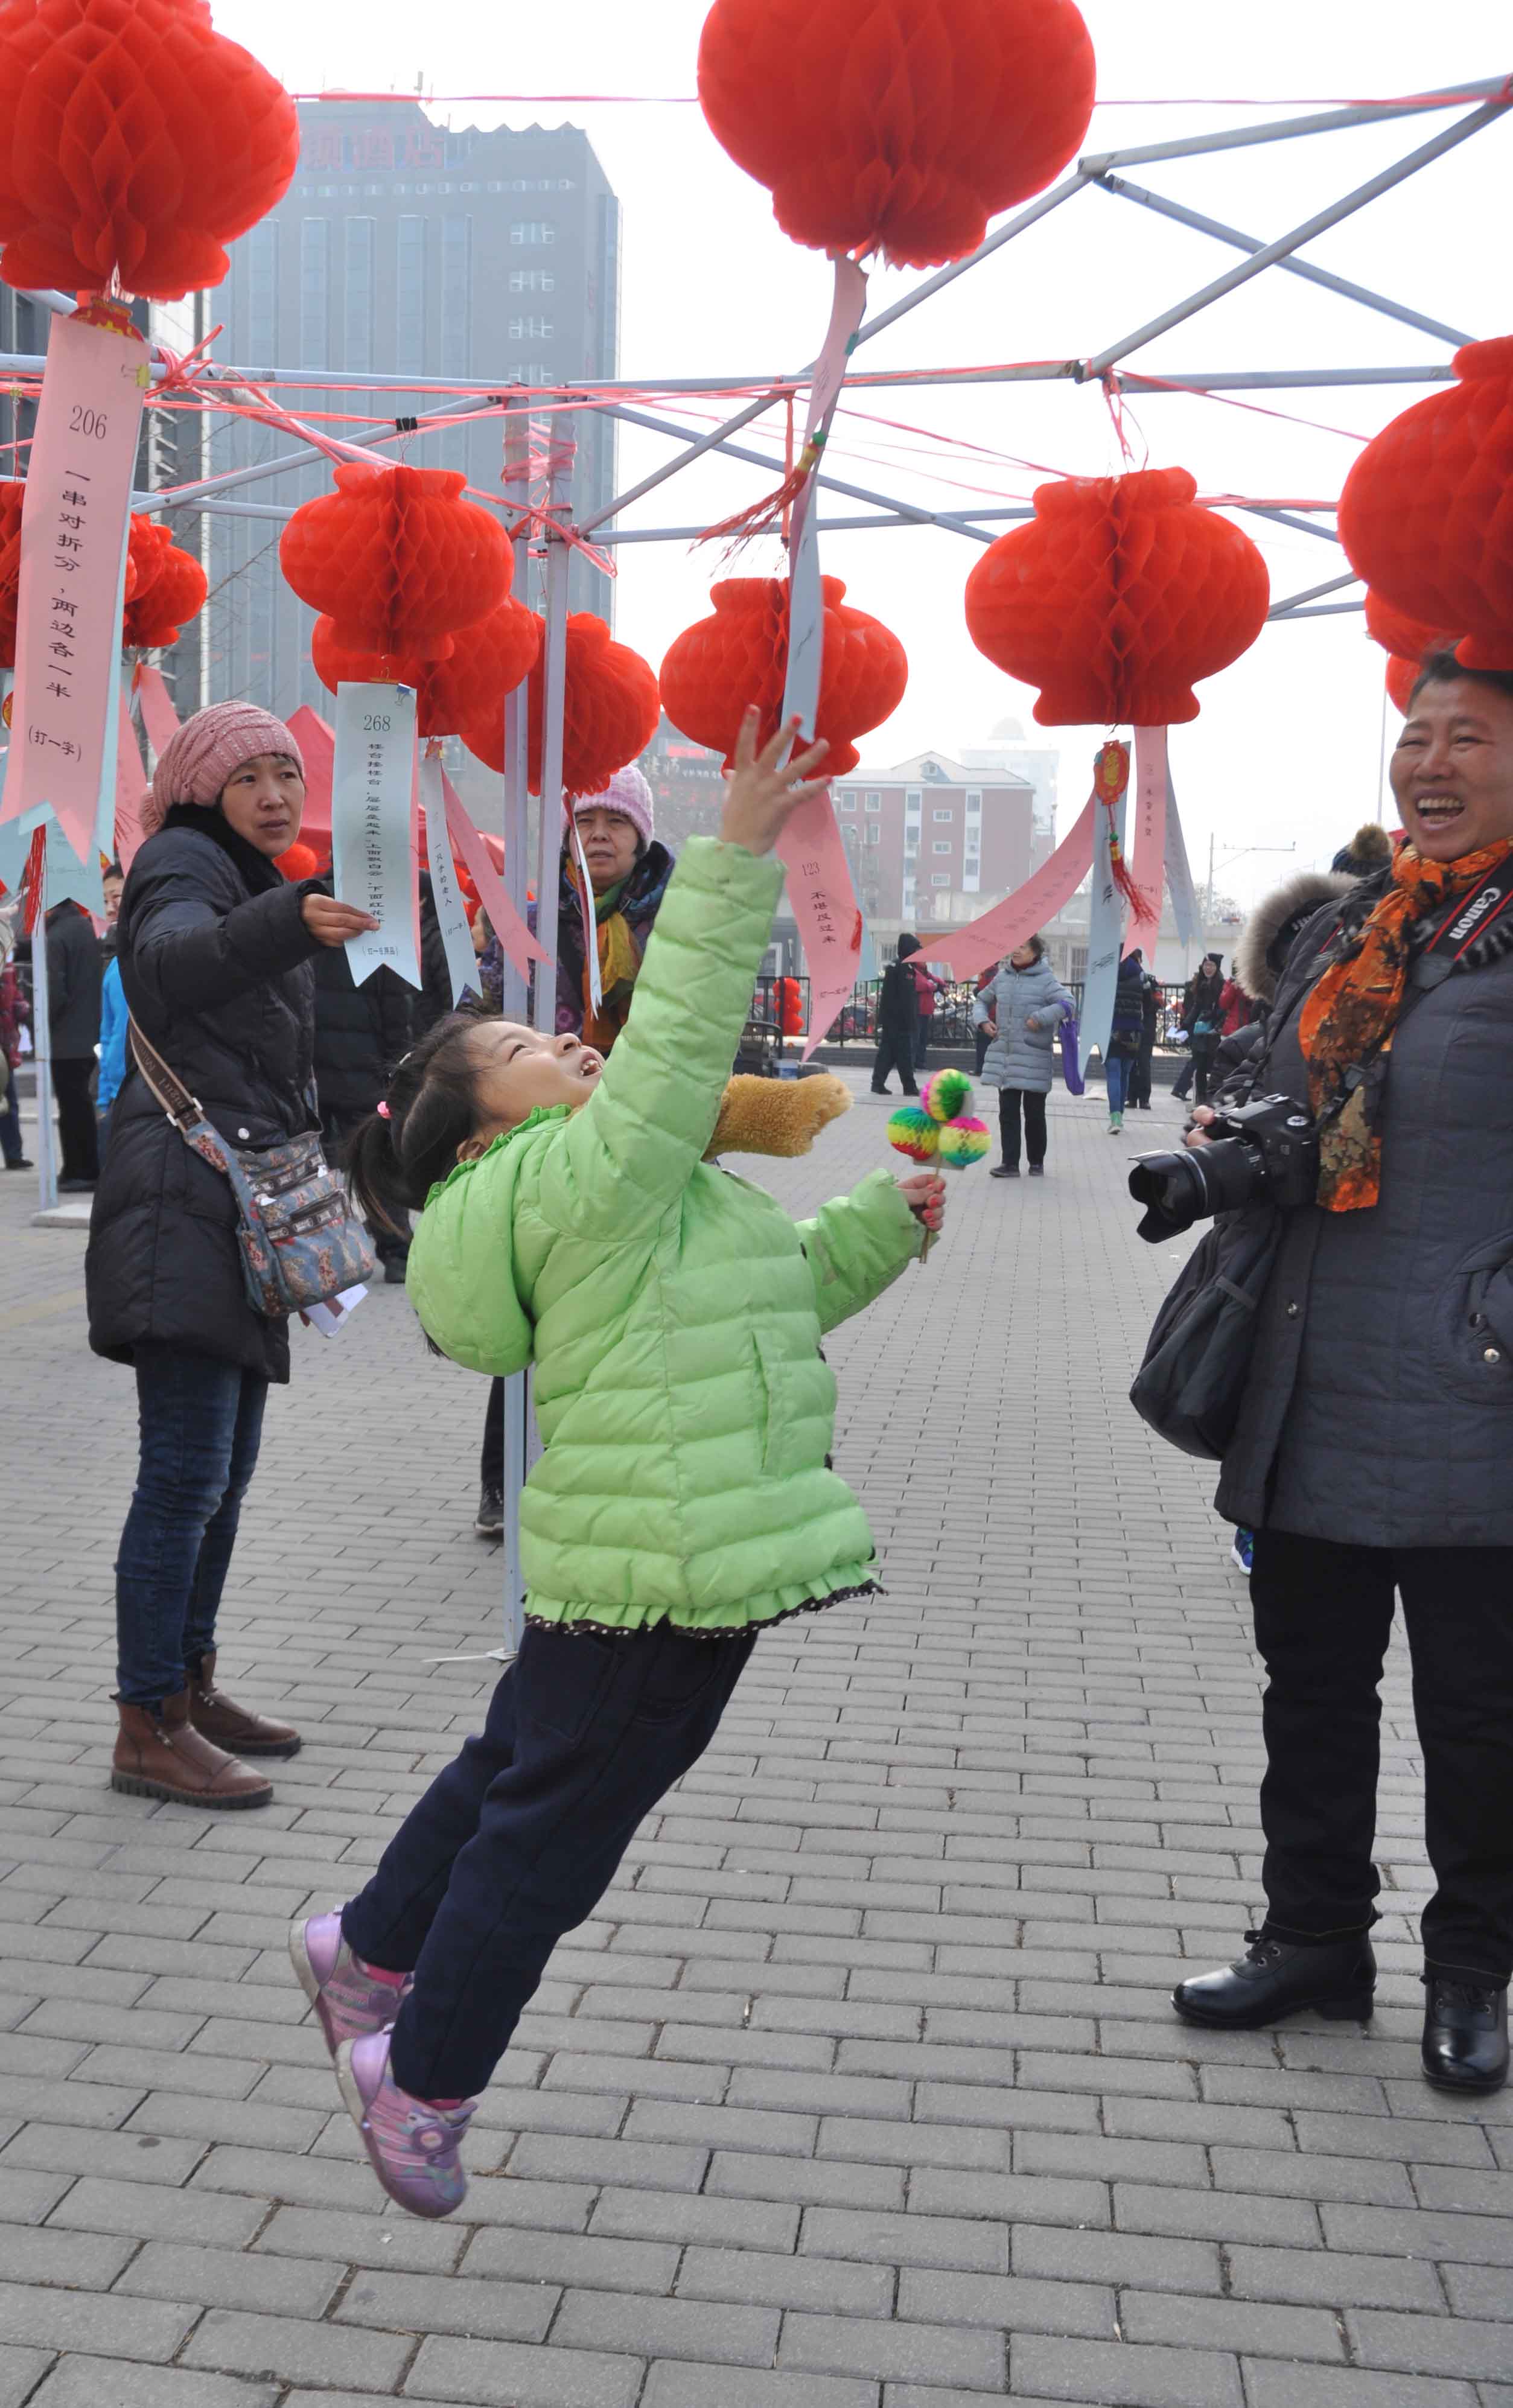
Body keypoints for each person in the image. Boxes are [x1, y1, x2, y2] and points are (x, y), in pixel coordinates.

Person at [287, 713, 945, 2219]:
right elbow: (673, 1056)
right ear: (473, 1134)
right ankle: (418, 2078)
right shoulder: (574, 1175)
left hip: (664, 1552)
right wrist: (736, 853)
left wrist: (876, 1230)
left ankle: (367, 1948)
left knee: (522, 1765)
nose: (570, 1045)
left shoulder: (622, 1191)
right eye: (528, 1052)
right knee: (550, 1839)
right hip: (659, 1559)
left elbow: (768, 1295)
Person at [1171, 652, 1513, 2098]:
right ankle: (1312, 1939)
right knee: (1309, 1688)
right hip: (1308, 1372)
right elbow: (1286, 1100)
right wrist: (1227, 1148)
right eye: (1415, 734)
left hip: (1475, 1396)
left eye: (1468, 737)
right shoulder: (1349, 928)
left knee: (1478, 1715)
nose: (1428, 762)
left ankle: (1471, 1971)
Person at [87, 702, 378, 1812]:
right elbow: (169, 967)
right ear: (202, 785)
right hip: (183, 1204)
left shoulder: (249, 877)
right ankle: (146, 1722)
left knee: (224, 1474)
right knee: (184, 1477)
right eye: (249, 775)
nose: (275, 795)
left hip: (233, 1206)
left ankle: (190, 1684)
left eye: (287, 776)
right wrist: (290, 919)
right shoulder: (179, 861)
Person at [477, 766, 675, 1539]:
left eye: (614, 823)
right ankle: (504, 1481)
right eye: (585, 821)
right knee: (533, 1308)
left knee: (637, 1313)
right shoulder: (531, 915)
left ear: (640, 837)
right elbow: (486, 1012)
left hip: (647, 1133)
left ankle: (619, 1481)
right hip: (547, 1131)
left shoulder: (672, 922)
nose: (598, 836)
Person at [313, 938, 414, 1285]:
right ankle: (397, 1251)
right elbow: (397, 1016)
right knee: (376, 1164)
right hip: (366, 1072)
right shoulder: (380, 938)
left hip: (310, 1071)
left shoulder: (300, 929)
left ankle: (318, 1258)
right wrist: (399, 1071)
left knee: (312, 1169)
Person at [975, 934, 1074, 1179]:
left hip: (1034, 1058)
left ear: (1035, 952)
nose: (1016, 951)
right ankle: (1009, 1163)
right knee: (1007, 1113)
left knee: (1034, 1113)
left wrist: (1040, 1018)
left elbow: (1068, 1003)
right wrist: (983, 1022)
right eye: (1014, 946)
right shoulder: (1003, 977)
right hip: (1007, 1059)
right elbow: (981, 1000)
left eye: (1023, 947)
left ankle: (1036, 1162)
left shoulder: (1046, 979)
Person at [45, 895, 103, 1190]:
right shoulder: (86, 927)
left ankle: (79, 1171)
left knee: (71, 1109)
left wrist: (40, 1022)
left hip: (65, 1039)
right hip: (90, 1033)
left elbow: (54, 992)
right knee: (83, 1106)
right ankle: (89, 1166)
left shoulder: (56, 935)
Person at [97, 862, 128, 1157]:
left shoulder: (143, 960)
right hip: (120, 1095)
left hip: (147, 1093)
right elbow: (109, 1036)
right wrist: (104, 1096)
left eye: (116, 897)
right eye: (105, 900)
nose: (109, 909)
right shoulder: (114, 967)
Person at [1104, 948, 1153, 1133]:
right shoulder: (1142, 975)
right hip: (1134, 1031)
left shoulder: (1108, 973)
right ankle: (1121, 1116)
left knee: (1113, 1074)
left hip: (1111, 1030)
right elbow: (1149, 1005)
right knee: (1125, 1073)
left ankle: (1115, 1117)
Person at [870, 932, 923, 1097]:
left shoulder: (897, 966)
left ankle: (878, 1083)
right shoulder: (904, 968)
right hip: (900, 1021)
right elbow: (905, 999)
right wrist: (911, 1021)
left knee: (887, 1054)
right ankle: (909, 1087)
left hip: (892, 1020)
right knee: (904, 1055)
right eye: (916, 949)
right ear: (909, 949)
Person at [1169, 954, 1224, 1106]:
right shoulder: (1202, 984)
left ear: (1217, 967)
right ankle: (1201, 1100)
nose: (1208, 968)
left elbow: (1223, 1009)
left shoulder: (1221, 984)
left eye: (1211, 965)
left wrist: (1213, 1017)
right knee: (1199, 1066)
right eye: (1206, 965)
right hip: (1201, 1030)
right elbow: (1196, 1007)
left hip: (1214, 1031)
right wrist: (1185, 1025)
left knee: (1212, 1065)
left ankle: (1210, 1099)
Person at [0, 905, 30, 1170]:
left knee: (9, 1097)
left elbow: (14, 996)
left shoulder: (7, 967)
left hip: (5, 1040)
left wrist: (23, 1009)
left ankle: (14, 1152)